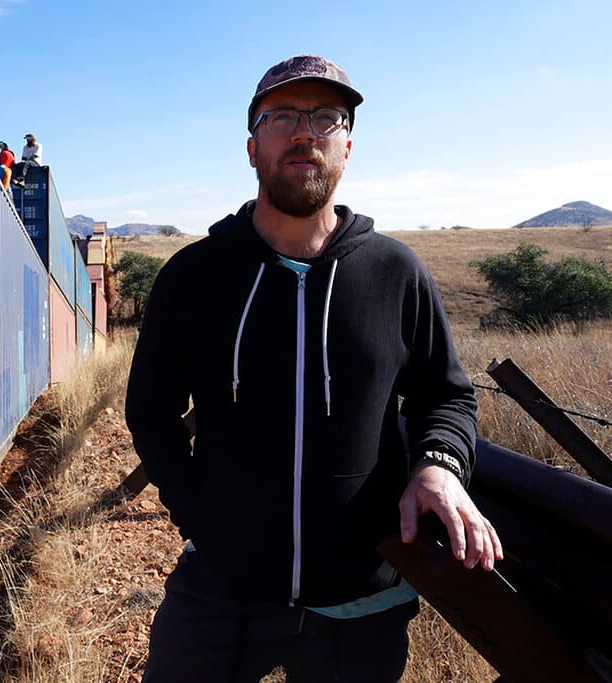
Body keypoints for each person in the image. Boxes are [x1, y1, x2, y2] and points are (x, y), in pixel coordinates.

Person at [124, 54, 503, 682]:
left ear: (347, 146)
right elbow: (151, 412)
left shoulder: (396, 273)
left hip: (362, 601)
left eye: (326, 117)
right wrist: (199, 514)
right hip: (221, 590)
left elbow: (446, 395)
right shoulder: (192, 276)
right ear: (252, 147)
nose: (305, 133)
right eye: (282, 117)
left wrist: (438, 465)